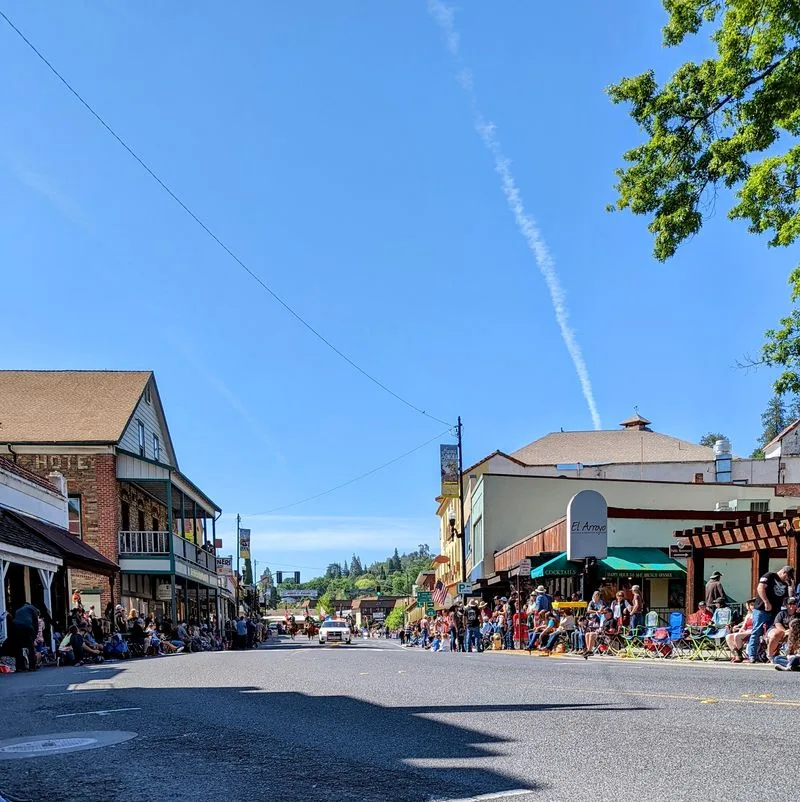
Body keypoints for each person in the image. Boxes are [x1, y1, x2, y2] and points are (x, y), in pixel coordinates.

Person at [747, 565, 795, 663]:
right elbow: (760, 588)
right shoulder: (770, 576)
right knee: (757, 631)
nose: (787, 579)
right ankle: (752, 655)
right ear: (783, 572)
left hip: (775, 612)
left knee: (774, 633)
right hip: (762, 609)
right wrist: (766, 601)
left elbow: (785, 599)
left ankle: (770, 654)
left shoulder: (785, 585)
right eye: (787, 577)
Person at [13, 602, 39, 671]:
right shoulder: (33, 609)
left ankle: (20, 667)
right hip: (27, 627)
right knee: (31, 647)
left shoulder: (18, 610)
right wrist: (35, 635)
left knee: (18, 647)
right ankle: (32, 666)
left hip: (16, 627)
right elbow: (36, 623)